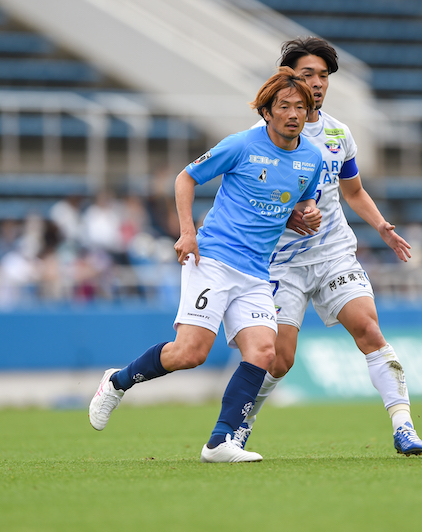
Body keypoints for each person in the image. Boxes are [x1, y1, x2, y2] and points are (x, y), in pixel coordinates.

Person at [88, 67, 323, 463]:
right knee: (189, 353)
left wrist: (307, 214)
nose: (293, 113)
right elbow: (185, 178)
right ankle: (117, 381)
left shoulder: (311, 158)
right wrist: (187, 233)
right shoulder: (241, 145)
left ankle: (219, 442)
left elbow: (296, 203)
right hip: (212, 259)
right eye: (284, 106)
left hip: (255, 273)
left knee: (264, 352)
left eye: (300, 106)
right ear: (267, 111)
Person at [234, 37, 422, 456]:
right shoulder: (257, 138)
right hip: (280, 263)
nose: (317, 83)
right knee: (278, 360)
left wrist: (381, 227)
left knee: (370, 330)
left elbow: (353, 191)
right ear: (287, 79)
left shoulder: (338, 133)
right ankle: (241, 423)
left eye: (323, 76)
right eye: (307, 75)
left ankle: (404, 427)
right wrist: (290, 217)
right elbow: (248, 198)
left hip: (333, 253)